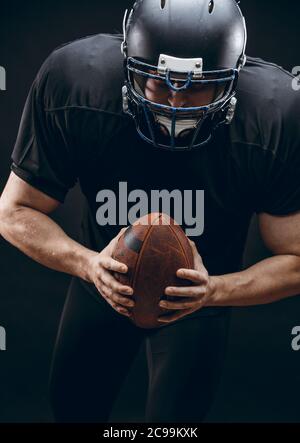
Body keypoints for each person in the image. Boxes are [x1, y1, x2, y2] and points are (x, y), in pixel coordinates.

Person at [0, 0, 300, 423]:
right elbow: (14, 212)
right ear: (127, 68)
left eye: (196, 86)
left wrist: (214, 290)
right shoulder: (75, 82)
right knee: (72, 410)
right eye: (159, 83)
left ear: (234, 77)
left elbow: (297, 258)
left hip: (200, 295)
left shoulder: (274, 114)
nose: (176, 102)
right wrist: (89, 265)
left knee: (175, 428)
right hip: (102, 281)